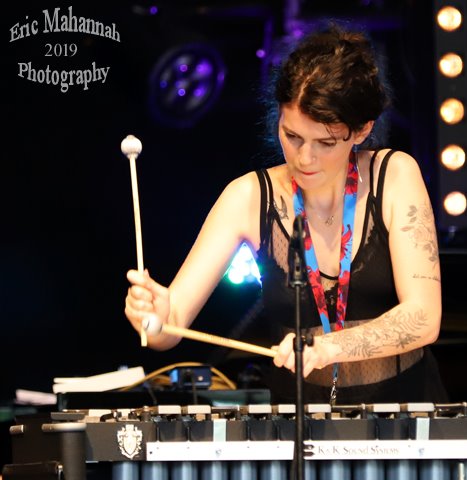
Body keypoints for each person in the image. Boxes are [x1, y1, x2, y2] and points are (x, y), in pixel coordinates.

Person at [124, 24, 448, 404]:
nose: (304, 158)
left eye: (325, 142)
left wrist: (329, 347)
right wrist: (158, 318)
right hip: (298, 420)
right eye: (292, 136)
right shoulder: (246, 197)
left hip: (405, 412)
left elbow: (425, 316)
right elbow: (171, 324)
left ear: (361, 131)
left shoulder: (394, 175)